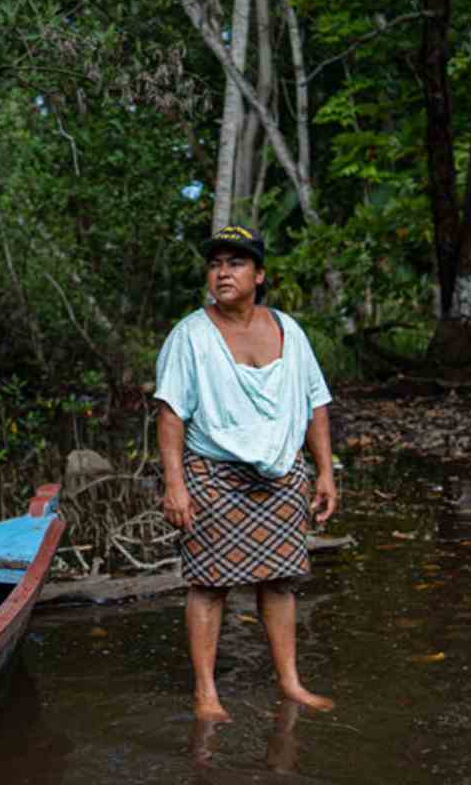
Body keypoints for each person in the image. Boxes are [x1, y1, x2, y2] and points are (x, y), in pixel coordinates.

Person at [155, 224, 337, 722]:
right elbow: (170, 414)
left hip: (280, 474)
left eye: (235, 263)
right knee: (209, 585)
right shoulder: (190, 335)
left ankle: (290, 683)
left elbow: (315, 403)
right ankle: (206, 694)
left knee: (280, 582)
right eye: (215, 264)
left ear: (259, 275)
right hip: (213, 473)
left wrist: (325, 472)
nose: (222, 273)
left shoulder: (288, 330)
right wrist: (175, 485)